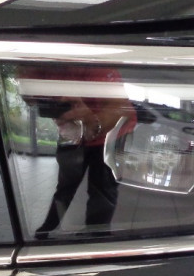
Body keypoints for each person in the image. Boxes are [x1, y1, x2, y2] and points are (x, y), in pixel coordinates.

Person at [23, 66, 136, 238]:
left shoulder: (95, 67)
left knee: (102, 188)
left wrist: (92, 120)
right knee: (66, 186)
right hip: (74, 133)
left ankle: (96, 232)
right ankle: (49, 227)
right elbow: (29, 95)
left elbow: (120, 108)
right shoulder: (42, 66)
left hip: (111, 135)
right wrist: (35, 95)